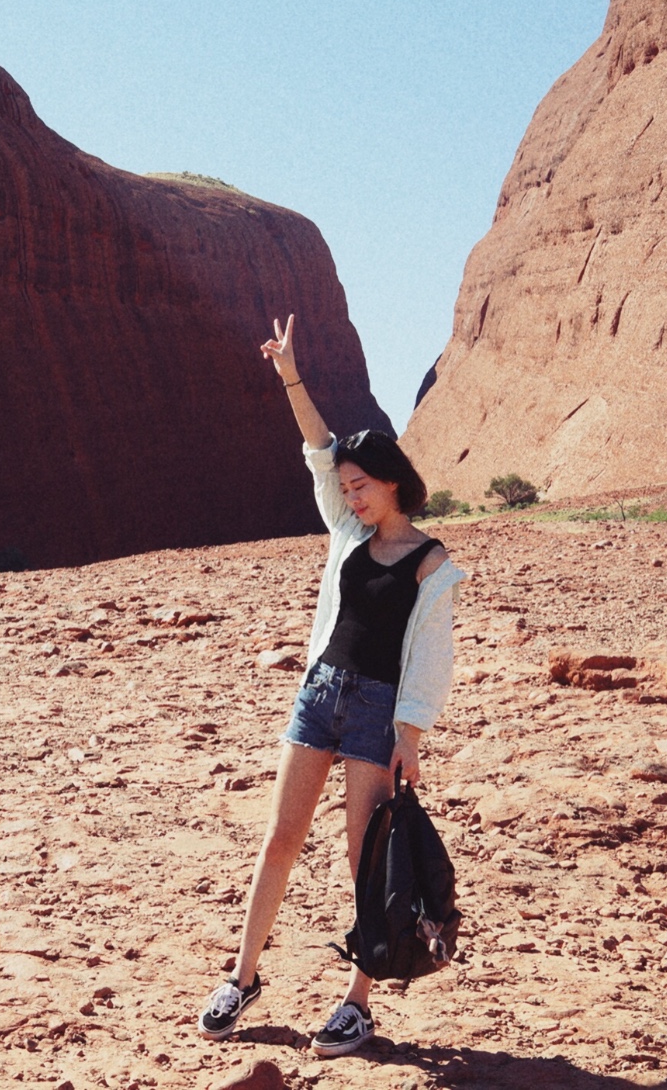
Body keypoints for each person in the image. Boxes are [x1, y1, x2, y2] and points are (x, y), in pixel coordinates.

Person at [196, 314, 464, 1057]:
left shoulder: (431, 563)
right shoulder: (347, 535)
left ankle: (357, 1000)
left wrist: (410, 735)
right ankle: (242, 976)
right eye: (345, 489)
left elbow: (430, 660)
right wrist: (290, 372)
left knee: (365, 860)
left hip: (379, 713)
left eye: (362, 487)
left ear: (392, 482)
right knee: (280, 837)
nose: (351, 498)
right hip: (319, 697)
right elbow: (319, 448)